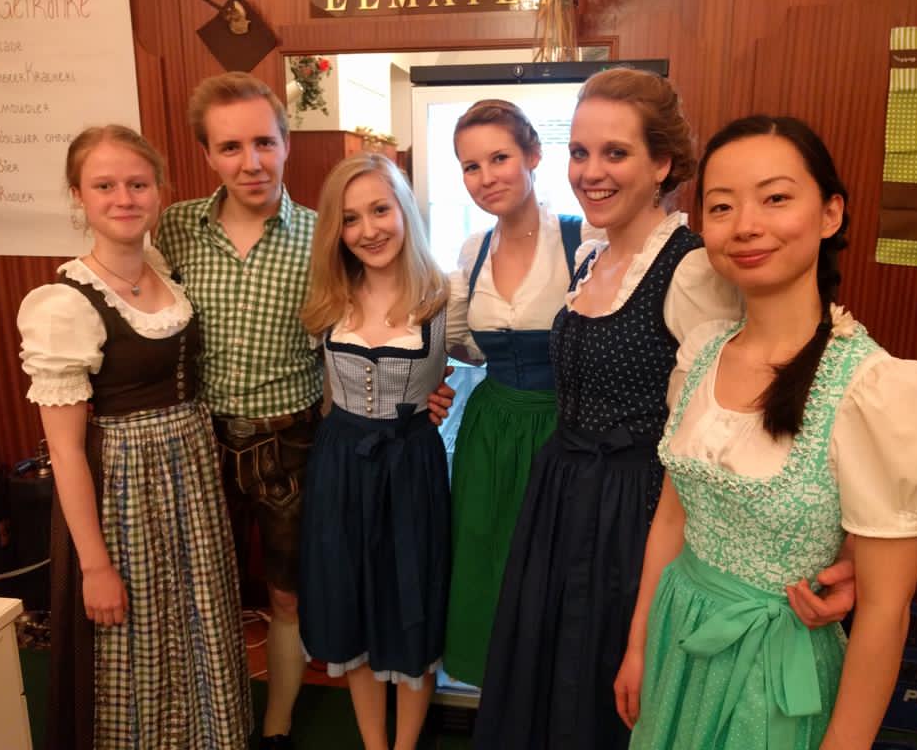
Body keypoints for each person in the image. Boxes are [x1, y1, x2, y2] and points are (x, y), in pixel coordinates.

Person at [620, 116, 917, 749]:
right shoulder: (700, 354)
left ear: (830, 214)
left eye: (775, 198)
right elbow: (671, 516)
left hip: (772, 676)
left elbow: (885, 611)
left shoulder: (877, 389)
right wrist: (639, 644)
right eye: (722, 206)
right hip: (677, 636)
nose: (746, 225)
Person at [472, 66, 744, 750]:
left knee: (606, 691)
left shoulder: (690, 269)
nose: (591, 172)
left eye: (615, 153)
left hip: (635, 514)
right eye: (580, 152)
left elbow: (712, 438)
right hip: (563, 498)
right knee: (549, 678)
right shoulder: (594, 257)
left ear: (662, 164)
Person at [17, 125, 251, 750]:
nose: (124, 198)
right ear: (79, 195)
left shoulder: (163, 273)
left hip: (190, 475)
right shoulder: (63, 303)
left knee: (197, 616)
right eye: (105, 186)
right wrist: (94, 567)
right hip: (124, 487)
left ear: (159, 191)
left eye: (138, 184)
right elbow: (66, 450)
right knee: (137, 627)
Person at [156, 72, 321, 749]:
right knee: (201, 591)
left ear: (286, 144)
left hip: (293, 441)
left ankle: (276, 726)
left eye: (263, 142)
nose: (250, 162)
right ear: (207, 155)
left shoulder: (322, 235)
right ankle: (215, 717)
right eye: (230, 147)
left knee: (286, 593)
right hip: (198, 439)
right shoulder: (175, 227)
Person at [442, 99, 600, 687]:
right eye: (471, 166)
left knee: (553, 566)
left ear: (533, 155)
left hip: (562, 428)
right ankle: (496, 695)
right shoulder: (472, 252)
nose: (486, 177)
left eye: (500, 158)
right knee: (487, 557)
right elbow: (465, 348)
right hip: (489, 427)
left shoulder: (582, 240)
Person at [298, 153, 451, 750]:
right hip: (340, 466)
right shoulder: (327, 300)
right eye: (351, 218)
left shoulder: (444, 299)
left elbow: (493, 365)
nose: (369, 230)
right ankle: (373, 744)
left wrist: (446, 397)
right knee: (350, 601)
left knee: (413, 601)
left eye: (380, 210)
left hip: (412, 466)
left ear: (404, 209)